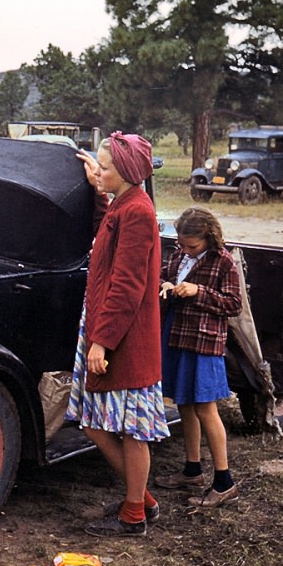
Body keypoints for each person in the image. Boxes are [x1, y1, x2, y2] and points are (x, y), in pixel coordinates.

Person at [67, 132, 170, 538]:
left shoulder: (139, 213)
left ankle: (133, 517)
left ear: (126, 172)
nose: (99, 172)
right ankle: (141, 499)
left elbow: (128, 285)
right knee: (95, 421)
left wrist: (102, 341)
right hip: (108, 328)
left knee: (131, 429)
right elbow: (108, 228)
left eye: (106, 167)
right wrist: (99, 187)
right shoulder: (127, 204)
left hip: (123, 337)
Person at [155, 206, 243, 508]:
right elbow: (163, 277)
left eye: (192, 245)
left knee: (206, 408)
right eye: (182, 244)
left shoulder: (224, 262)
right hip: (177, 337)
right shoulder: (179, 255)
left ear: (209, 237)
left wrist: (198, 292)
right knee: (185, 404)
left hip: (204, 345)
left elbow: (234, 304)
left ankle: (224, 481)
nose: (185, 250)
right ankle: (192, 470)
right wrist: (165, 285)